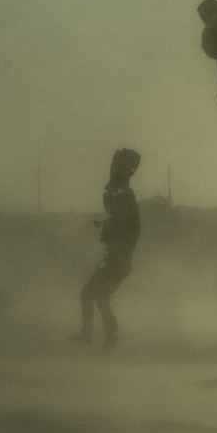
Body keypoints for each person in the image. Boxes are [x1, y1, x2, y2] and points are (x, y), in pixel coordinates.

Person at [75, 147, 141, 352]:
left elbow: (126, 222)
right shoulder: (121, 196)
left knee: (90, 293)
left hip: (117, 259)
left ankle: (95, 335)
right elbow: (119, 216)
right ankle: (104, 335)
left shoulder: (124, 196)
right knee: (97, 294)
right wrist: (103, 221)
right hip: (117, 258)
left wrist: (116, 247)